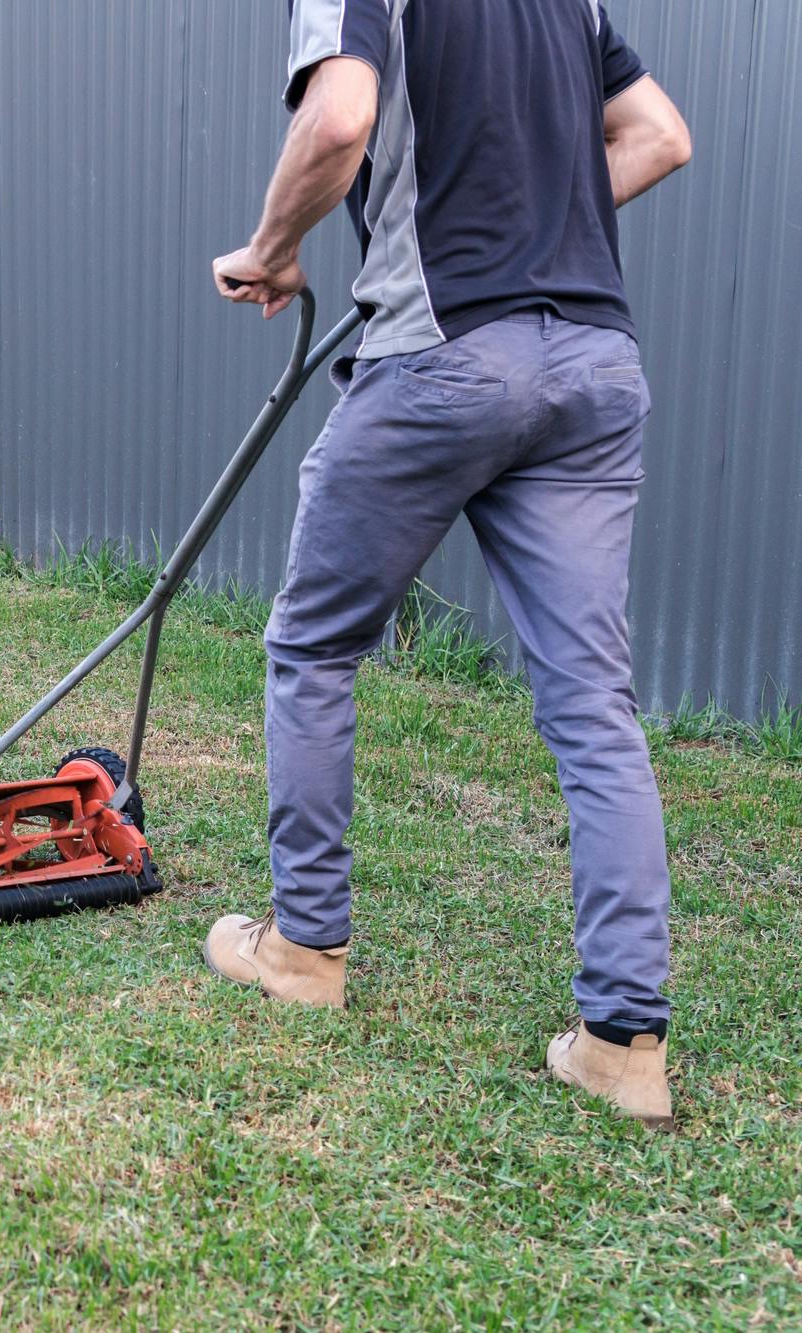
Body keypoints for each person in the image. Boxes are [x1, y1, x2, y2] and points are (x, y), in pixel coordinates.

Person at [205, 0, 693, 1129]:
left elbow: (337, 122)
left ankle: (302, 950)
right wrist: (538, 231)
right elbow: (659, 134)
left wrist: (269, 251)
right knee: (591, 703)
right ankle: (623, 1045)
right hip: (593, 364)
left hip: (446, 357)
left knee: (314, 643)